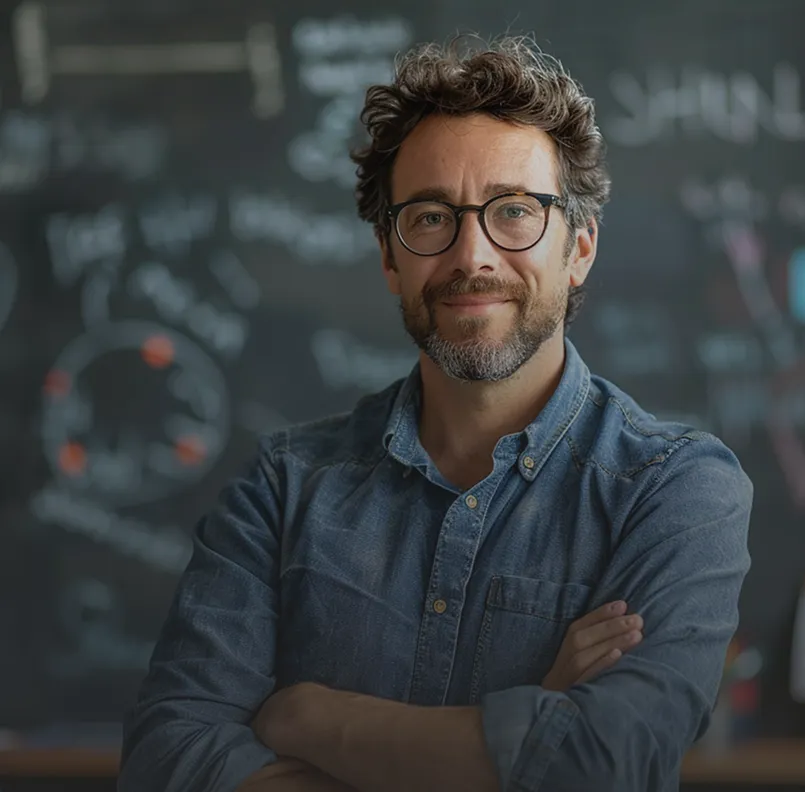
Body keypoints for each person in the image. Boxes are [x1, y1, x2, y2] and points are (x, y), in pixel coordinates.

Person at [118, 34, 753, 792]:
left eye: (514, 212)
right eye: (428, 218)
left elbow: (603, 762)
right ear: (390, 256)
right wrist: (530, 724)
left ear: (579, 247)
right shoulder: (283, 487)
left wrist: (311, 719)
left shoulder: (676, 491)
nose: (471, 255)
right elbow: (166, 759)